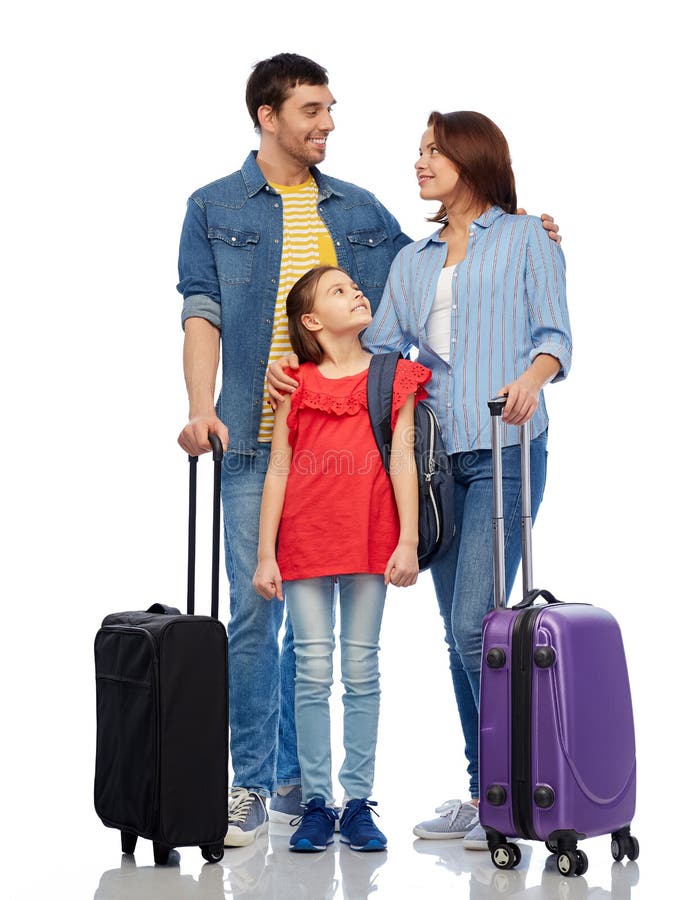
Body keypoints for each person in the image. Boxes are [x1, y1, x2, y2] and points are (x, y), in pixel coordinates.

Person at [176, 49, 562, 847]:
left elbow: (399, 312)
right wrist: (198, 406)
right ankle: (263, 785)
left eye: (330, 109)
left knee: (400, 638)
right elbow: (203, 310)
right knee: (262, 616)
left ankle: (381, 789)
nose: (329, 124)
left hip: (372, 450)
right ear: (268, 116)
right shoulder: (213, 206)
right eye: (312, 110)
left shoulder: (361, 213)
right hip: (258, 432)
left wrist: (533, 235)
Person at [266, 110, 572, 851]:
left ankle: (509, 787)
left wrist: (533, 378)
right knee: (456, 630)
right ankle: (484, 788)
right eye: (420, 151)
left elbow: (555, 337)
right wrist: (296, 367)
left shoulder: (528, 239)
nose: (420, 162)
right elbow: (366, 344)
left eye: (432, 151)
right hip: (438, 464)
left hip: (506, 446)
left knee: (477, 625)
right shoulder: (414, 262)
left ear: (470, 158)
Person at [253, 265, 430, 852]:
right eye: (339, 290)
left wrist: (407, 540)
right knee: (310, 673)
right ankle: (315, 804)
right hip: (304, 544)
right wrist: (265, 555)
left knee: (360, 671)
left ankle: (357, 802)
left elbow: (403, 458)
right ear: (311, 321)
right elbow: (278, 468)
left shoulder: (393, 377)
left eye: (356, 285)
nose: (356, 291)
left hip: (369, 541)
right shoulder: (293, 385)